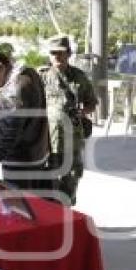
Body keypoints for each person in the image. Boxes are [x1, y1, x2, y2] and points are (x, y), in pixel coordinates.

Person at [0, 48, 50, 190]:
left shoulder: (11, 94)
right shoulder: (29, 73)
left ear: (1, 67)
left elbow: (6, 142)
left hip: (20, 165)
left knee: (19, 209)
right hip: (38, 155)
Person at [43, 35, 97, 205]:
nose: (57, 57)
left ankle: (66, 213)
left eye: (61, 53)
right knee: (49, 177)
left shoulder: (79, 77)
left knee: (72, 175)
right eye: (53, 53)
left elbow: (92, 102)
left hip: (72, 138)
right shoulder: (42, 76)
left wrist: (82, 112)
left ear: (69, 53)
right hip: (48, 140)